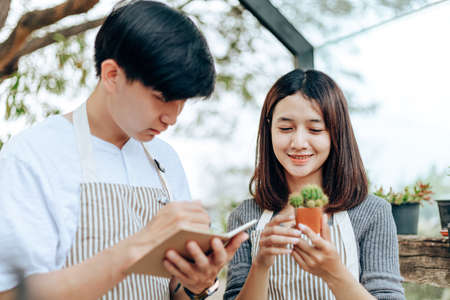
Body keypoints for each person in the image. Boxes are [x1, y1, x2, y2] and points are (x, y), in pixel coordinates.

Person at [0, 1, 247, 299]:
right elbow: (14, 294)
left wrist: (199, 285)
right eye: (161, 97)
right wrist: (136, 247)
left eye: (182, 102)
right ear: (112, 75)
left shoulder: (164, 159)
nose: (172, 118)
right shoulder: (33, 154)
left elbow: (175, 290)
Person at [224, 69, 405, 300]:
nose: (298, 142)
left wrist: (334, 273)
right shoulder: (245, 217)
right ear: (268, 130)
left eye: (315, 129)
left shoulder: (372, 212)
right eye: (286, 128)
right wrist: (260, 265)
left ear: (336, 133)